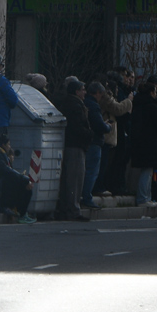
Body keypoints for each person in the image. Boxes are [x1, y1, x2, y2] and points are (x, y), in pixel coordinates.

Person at [55, 79, 91, 222]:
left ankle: (65, 209)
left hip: (68, 144)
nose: (85, 92)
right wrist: (90, 134)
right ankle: (73, 210)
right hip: (75, 145)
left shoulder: (66, 103)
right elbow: (78, 127)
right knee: (75, 180)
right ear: (76, 91)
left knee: (67, 180)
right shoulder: (75, 106)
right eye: (83, 89)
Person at [129, 79, 157, 207]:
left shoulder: (137, 104)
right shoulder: (152, 106)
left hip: (138, 141)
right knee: (148, 170)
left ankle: (146, 197)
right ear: (151, 92)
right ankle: (143, 198)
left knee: (146, 170)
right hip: (150, 141)